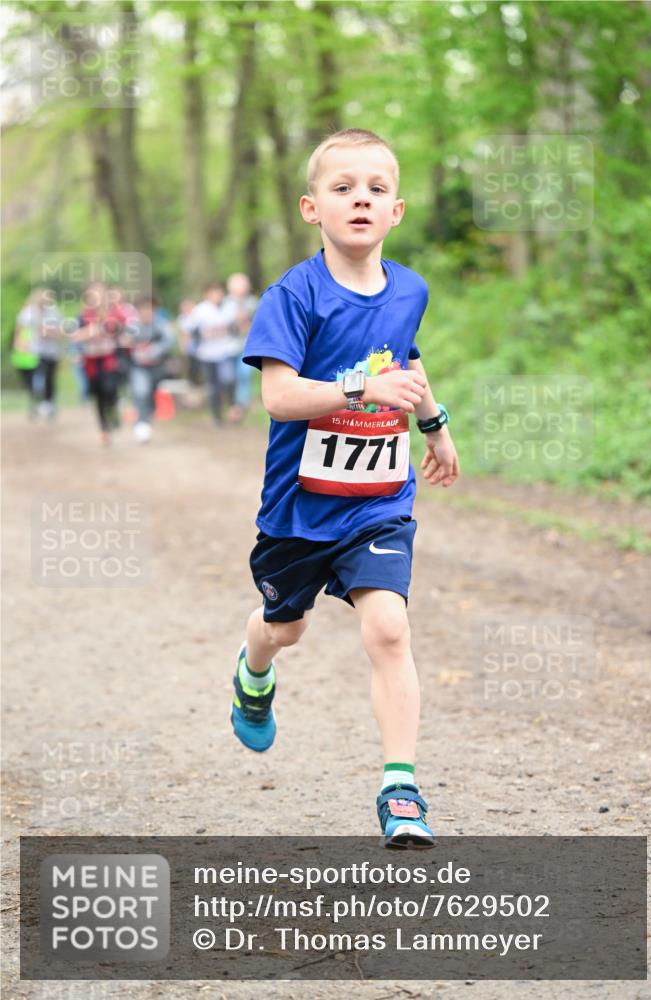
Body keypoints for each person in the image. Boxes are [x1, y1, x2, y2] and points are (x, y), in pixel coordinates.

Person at [230, 128, 460, 849]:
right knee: (285, 628)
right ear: (312, 208)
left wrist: (434, 424)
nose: (360, 199)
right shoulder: (292, 296)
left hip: (378, 498)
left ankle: (400, 789)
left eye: (376, 188)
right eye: (342, 188)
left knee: (388, 627)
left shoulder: (410, 289)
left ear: (396, 210)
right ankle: (254, 671)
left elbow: (406, 361)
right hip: (300, 507)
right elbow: (279, 398)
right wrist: (362, 387)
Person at [73, 282, 124, 446]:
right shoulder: (83, 316)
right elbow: (75, 336)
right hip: (91, 362)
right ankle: (104, 431)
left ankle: (114, 411)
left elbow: (123, 331)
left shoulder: (114, 313)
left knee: (110, 390)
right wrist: (90, 332)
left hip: (109, 360)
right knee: (99, 396)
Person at [181, 282, 239, 424]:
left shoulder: (229, 307)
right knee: (213, 386)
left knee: (229, 380)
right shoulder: (200, 310)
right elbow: (188, 330)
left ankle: (232, 407)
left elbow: (238, 326)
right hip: (208, 354)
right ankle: (216, 415)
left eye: (218, 292)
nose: (216, 296)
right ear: (206, 294)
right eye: (213, 292)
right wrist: (191, 344)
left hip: (226, 351)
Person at [124, 296, 174, 443]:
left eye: (150, 309)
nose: (147, 312)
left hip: (157, 368)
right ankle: (141, 423)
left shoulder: (161, 325)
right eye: (143, 309)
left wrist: (153, 351)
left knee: (151, 395)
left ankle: (147, 419)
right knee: (141, 392)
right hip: (138, 367)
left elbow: (168, 342)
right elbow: (124, 341)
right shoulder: (132, 327)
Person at [14, 288, 62, 420]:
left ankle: (49, 403)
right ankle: (38, 402)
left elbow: (60, 331)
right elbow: (20, 328)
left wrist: (50, 333)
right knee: (38, 377)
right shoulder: (29, 312)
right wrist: (19, 342)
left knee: (50, 378)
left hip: (52, 351)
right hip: (36, 351)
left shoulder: (54, 312)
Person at [225, 272, 257, 423]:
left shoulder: (253, 303)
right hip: (227, 347)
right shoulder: (226, 304)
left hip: (247, 346)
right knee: (228, 377)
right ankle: (232, 404)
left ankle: (240, 406)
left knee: (244, 375)